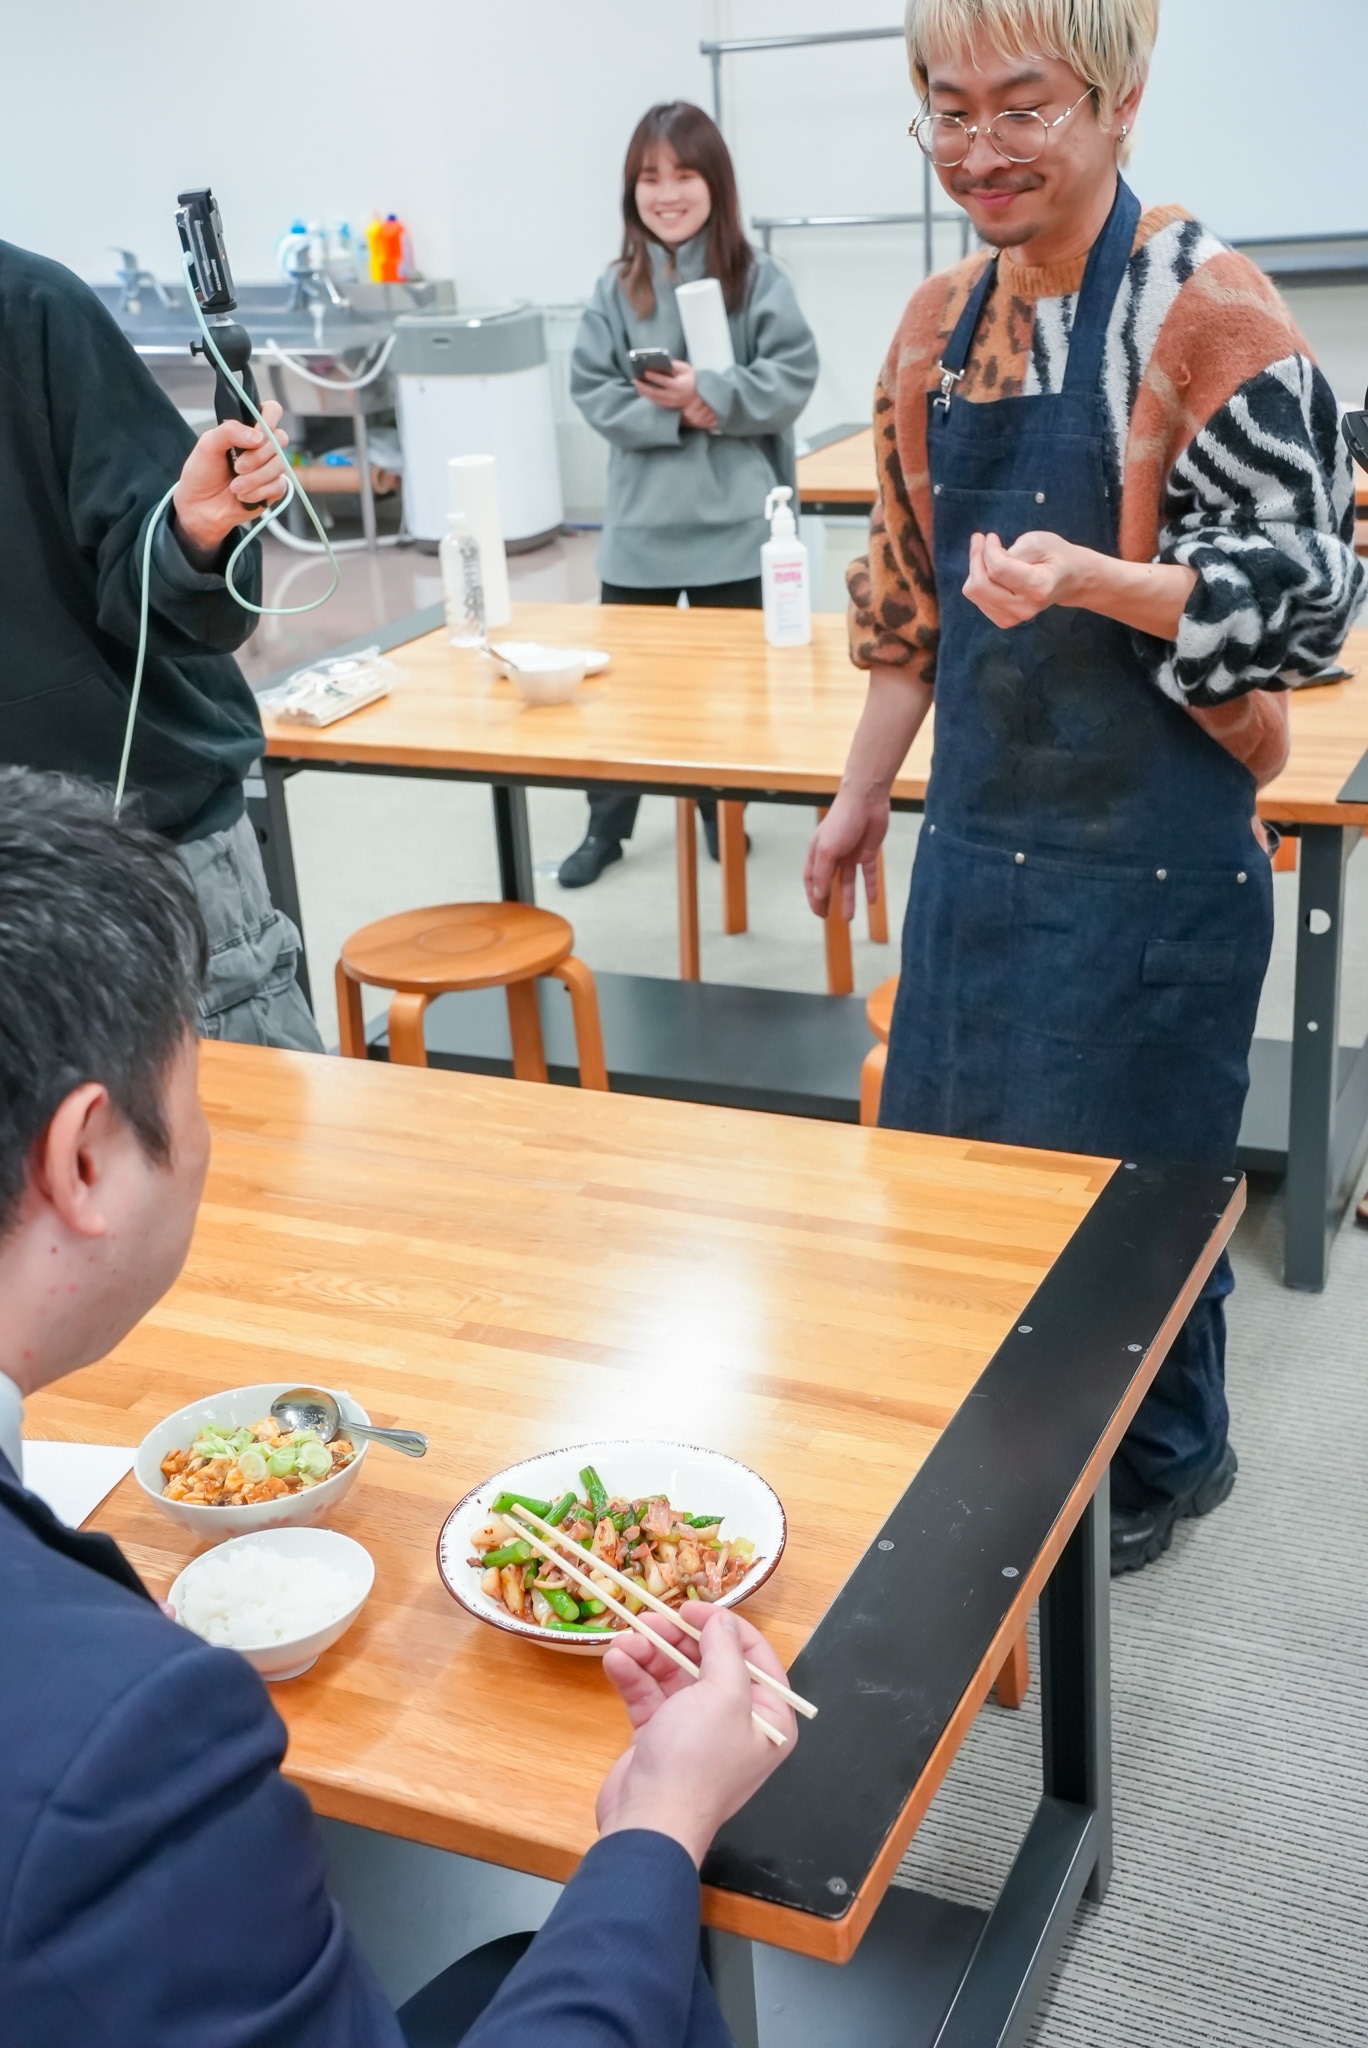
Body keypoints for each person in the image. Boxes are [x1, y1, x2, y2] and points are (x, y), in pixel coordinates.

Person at [0, 766, 793, 2048]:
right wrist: (659, 1823)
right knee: (632, 1967)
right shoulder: (132, 1731)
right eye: (201, 1086)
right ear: (86, 1155)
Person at [806, 0, 1363, 1574]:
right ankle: (1043, 1441)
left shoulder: (1207, 313)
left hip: (1159, 850)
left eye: (1023, 107)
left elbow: (1317, 597)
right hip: (985, 842)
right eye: (948, 107)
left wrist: (1104, 583)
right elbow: (908, 612)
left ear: (1119, 102)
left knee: (1146, 1192)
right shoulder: (932, 329)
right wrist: (861, 799)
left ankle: (1178, 1460)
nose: (979, 149)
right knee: (975, 1180)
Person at [0, 237, 322, 1052]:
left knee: (263, 1166)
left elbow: (165, 594)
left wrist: (195, 534)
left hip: (145, 862)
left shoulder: (33, 312)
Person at [562, 100, 819, 886]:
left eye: (683, 175)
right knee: (618, 695)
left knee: (729, 698)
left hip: (736, 529)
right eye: (649, 177)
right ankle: (606, 828)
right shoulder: (616, 289)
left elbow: (792, 376)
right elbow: (590, 388)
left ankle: (723, 817)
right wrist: (675, 412)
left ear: (716, 183)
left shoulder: (757, 279)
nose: (666, 193)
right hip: (640, 533)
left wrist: (710, 394)